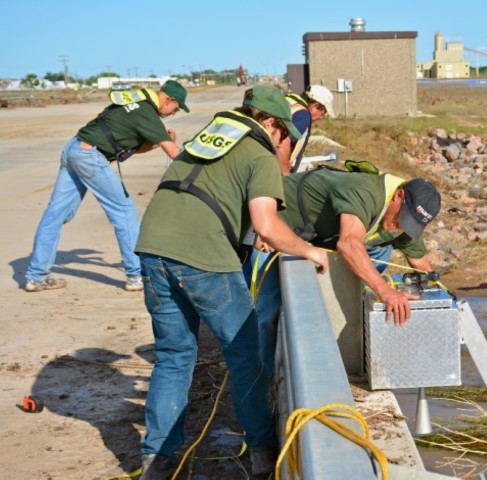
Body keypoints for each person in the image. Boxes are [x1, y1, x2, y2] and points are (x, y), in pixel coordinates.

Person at [134, 85, 328, 479]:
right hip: (202, 256)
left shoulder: (206, 139)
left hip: (153, 248)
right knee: (244, 355)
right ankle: (260, 450)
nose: (284, 144)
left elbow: (211, 193)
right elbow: (268, 226)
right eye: (284, 136)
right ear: (270, 124)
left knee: (173, 356)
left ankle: (157, 460)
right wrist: (309, 251)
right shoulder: (259, 153)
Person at [247, 166, 440, 378]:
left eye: (410, 225)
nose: (400, 227)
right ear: (399, 195)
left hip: (315, 237)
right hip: (273, 225)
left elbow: (421, 265)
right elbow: (348, 244)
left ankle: (346, 352)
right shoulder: (365, 192)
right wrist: (386, 291)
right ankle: (259, 380)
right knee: (268, 311)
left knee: (380, 250)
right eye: (402, 220)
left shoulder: (402, 222)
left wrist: (439, 300)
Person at [24, 80, 189, 293]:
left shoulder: (136, 103)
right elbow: (174, 153)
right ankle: (136, 276)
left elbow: (134, 147)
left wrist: (159, 141)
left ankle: (36, 276)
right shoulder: (147, 112)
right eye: (176, 108)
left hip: (75, 148)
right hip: (89, 156)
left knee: (56, 214)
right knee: (125, 210)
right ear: (169, 99)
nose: (173, 113)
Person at [276, 84, 334, 174]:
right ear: (315, 106)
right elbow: (283, 143)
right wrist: (286, 173)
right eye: (322, 113)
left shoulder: (290, 101)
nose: (321, 117)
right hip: (274, 168)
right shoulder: (303, 116)